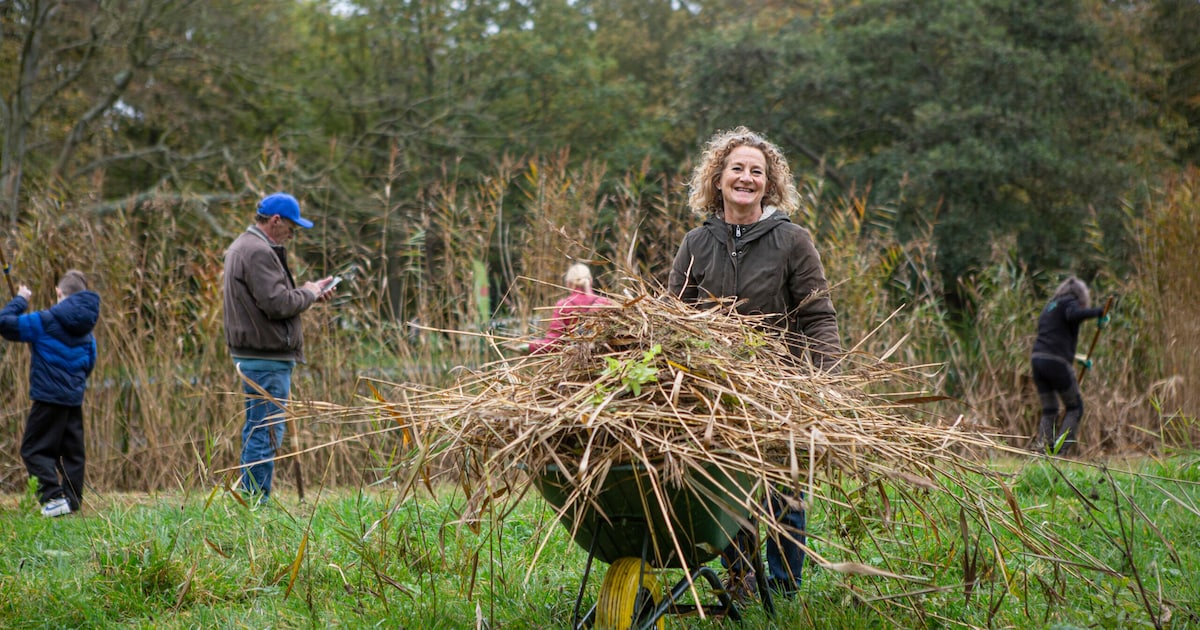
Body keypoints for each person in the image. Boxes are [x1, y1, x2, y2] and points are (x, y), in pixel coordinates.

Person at [668, 126, 842, 600]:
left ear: (769, 183)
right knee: (728, 491)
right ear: (718, 179)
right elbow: (672, 318)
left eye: (756, 171)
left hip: (779, 390)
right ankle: (742, 579)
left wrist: (824, 383)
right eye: (737, 169)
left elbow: (819, 317)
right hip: (716, 390)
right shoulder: (696, 244)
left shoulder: (792, 240)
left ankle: (783, 591)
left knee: (782, 494)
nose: (746, 178)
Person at [223, 192, 333, 504]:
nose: (292, 234)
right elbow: (277, 303)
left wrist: (309, 294)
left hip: (257, 355)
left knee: (257, 428)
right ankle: (255, 502)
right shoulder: (257, 251)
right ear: (275, 220)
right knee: (267, 432)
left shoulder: (243, 246)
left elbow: (274, 298)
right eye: (291, 227)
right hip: (266, 358)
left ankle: (249, 497)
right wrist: (309, 293)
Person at [0, 270, 100, 517]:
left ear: (58, 292)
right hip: (73, 400)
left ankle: (53, 498)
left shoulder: (44, 321)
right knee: (72, 453)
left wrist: (21, 299)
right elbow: (90, 362)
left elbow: (4, 322)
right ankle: (72, 500)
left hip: (47, 398)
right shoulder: (87, 331)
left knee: (34, 449)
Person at [1030, 276, 1108, 456]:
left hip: (1038, 360)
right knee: (1075, 408)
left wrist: (1078, 358)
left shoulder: (1050, 307)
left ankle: (1042, 453)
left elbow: (1053, 340)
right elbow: (1073, 315)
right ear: (1081, 294)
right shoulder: (1069, 303)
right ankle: (1059, 453)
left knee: (1050, 409)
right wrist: (1099, 312)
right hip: (1055, 362)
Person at [526, 263, 611, 354]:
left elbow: (553, 345)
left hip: (577, 363)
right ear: (590, 280)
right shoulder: (606, 303)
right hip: (608, 361)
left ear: (568, 283)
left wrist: (530, 345)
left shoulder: (564, 306)